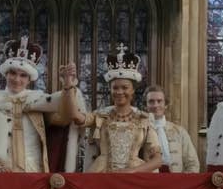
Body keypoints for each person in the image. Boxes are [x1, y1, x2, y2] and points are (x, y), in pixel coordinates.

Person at [0, 36, 82, 172]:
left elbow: (64, 119)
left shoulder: (39, 102)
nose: (17, 79)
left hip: (32, 171)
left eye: (23, 75)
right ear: (5, 74)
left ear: (29, 79)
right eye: (12, 73)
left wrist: (67, 86)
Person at [67, 43, 162, 173]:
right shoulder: (99, 116)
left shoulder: (144, 118)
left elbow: (157, 160)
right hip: (102, 174)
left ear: (133, 90)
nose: (119, 92)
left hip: (134, 177)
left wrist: (132, 171)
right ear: (110, 89)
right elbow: (75, 117)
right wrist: (69, 86)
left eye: (124, 87)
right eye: (115, 88)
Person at [144, 85, 200, 173]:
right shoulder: (140, 131)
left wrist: (183, 182)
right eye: (151, 101)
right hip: (149, 181)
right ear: (145, 105)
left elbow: (192, 163)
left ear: (166, 105)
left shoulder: (179, 131)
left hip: (176, 182)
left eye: (159, 101)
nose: (155, 105)